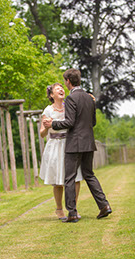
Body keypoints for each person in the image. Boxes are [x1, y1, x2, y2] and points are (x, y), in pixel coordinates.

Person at [43, 68, 112, 223]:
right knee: (89, 174)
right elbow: (93, 122)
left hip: (74, 143)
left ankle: (72, 213)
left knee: (69, 178)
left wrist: (52, 123)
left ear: (68, 81)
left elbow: (70, 122)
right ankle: (104, 206)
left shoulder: (72, 99)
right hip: (89, 142)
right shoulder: (90, 98)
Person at [39, 83, 82, 220]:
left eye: (62, 88)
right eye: (57, 89)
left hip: (70, 144)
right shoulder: (47, 110)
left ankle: (73, 209)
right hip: (55, 146)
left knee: (75, 178)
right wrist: (46, 127)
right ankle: (59, 209)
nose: (62, 90)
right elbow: (42, 134)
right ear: (52, 95)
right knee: (58, 181)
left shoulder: (69, 106)